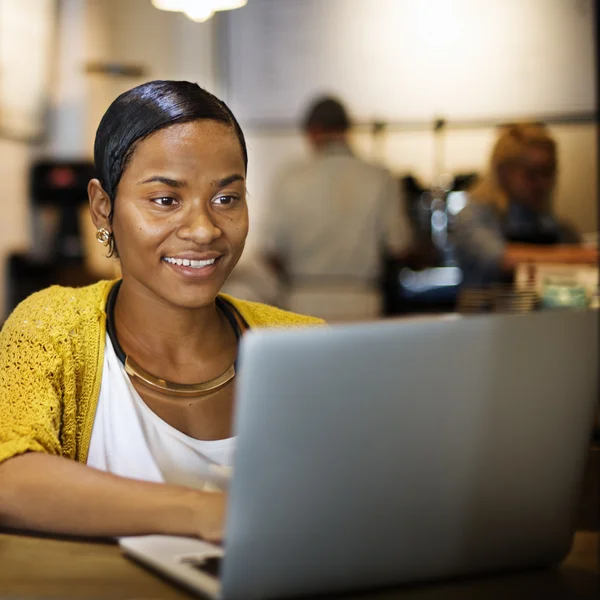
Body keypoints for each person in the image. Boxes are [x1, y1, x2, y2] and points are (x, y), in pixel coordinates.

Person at [0, 81, 323, 541]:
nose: (203, 229)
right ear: (102, 208)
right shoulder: (51, 330)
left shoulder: (304, 346)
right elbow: (9, 477)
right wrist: (206, 513)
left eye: (226, 199)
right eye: (166, 200)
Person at [261, 96, 413, 322]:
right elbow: (399, 246)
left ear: (313, 131)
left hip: (302, 298)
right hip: (363, 298)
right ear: (347, 129)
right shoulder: (380, 177)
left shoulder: (290, 178)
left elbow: (270, 250)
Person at [454, 123, 597, 287]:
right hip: (489, 312)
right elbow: (500, 259)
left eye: (548, 172)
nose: (542, 183)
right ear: (503, 171)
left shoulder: (547, 221)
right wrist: (580, 257)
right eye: (531, 174)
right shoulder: (474, 215)